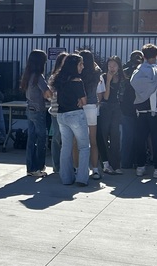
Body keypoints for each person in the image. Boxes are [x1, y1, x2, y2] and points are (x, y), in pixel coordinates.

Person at [130, 44, 157, 179]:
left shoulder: (137, 71)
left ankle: (140, 167)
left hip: (140, 110)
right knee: (156, 140)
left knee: (140, 139)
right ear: (156, 55)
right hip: (156, 110)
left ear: (143, 55)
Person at [51, 53, 89, 186]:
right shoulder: (77, 81)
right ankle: (82, 178)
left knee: (65, 147)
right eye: (80, 64)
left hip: (61, 115)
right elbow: (84, 101)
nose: (82, 67)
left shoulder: (60, 80)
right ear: (74, 66)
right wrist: (79, 99)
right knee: (84, 147)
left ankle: (66, 178)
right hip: (76, 115)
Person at [20, 49, 50, 178]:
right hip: (39, 110)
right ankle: (38, 167)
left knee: (31, 139)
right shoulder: (38, 76)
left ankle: (30, 167)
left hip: (30, 109)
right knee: (42, 139)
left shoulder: (28, 75)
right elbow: (47, 92)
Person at [97, 56, 124, 175]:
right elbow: (106, 97)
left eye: (114, 66)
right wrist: (108, 80)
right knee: (103, 134)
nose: (111, 68)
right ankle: (105, 163)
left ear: (118, 66)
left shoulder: (122, 78)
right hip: (105, 107)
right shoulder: (103, 77)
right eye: (109, 66)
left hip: (117, 108)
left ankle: (116, 164)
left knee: (115, 136)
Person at [78, 50, 103, 179]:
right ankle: (95, 169)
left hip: (79, 107)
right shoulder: (96, 73)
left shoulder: (78, 74)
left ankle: (78, 169)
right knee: (93, 141)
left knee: (78, 141)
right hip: (92, 107)